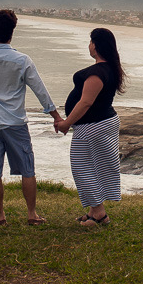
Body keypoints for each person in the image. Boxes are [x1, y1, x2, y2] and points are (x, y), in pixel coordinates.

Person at [0, 9, 63, 226]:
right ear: (12, 32)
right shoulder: (22, 60)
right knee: (27, 169)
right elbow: (40, 90)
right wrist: (56, 116)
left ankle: (0, 215)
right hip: (16, 123)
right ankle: (31, 214)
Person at [55, 27, 126, 227]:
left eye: (91, 41)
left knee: (82, 169)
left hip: (92, 127)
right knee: (95, 168)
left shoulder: (98, 72)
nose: (89, 45)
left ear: (96, 45)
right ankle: (94, 210)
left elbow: (86, 102)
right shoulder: (111, 69)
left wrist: (66, 124)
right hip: (102, 124)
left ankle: (100, 215)